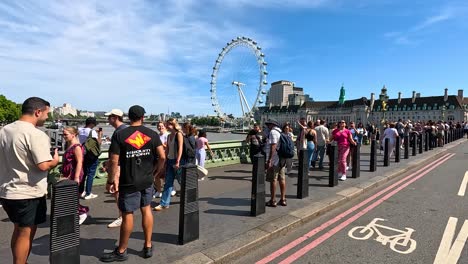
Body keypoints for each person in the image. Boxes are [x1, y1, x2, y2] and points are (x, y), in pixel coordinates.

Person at [100, 105, 165, 262]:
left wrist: (110, 180)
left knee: (128, 214)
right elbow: (162, 156)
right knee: (146, 209)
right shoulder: (152, 134)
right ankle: (148, 246)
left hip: (129, 181)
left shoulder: (120, 135)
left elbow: (113, 161)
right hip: (147, 180)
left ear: (129, 117)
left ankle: (121, 251)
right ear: (143, 117)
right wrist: (155, 172)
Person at [0, 97, 59, 264]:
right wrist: (55, 161)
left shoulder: (5, 130)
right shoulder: (35, 134)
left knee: (18, 230)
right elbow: (43, 165)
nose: (47, 117)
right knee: (26, 232)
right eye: (47, 113)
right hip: (28, 192)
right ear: (37, 112)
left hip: (7, 190)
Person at [104, 109, 128, 228]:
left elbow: (116, 156)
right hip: (122, 164)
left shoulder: (119, 132)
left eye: (109, 117)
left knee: (117, 190)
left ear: (115, 118)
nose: (108, 120)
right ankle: (124, 215)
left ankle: (121, 217)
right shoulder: (125, 130)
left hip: (118, 166)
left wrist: (110, 178)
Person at [154, 118, 184, 211]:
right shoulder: (169, 136)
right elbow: (167, 149)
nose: (167, 126)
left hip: (177, 161)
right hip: (170, 160)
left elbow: (180, 148)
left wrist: (178, 161)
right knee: (168, 182)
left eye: (168, 125)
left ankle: (188, 197)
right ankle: (164, 203)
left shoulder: (178, 134)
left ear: (173, 125)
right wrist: (165, 160)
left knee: (181, 181)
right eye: (166, 124)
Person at [61, 127, 89, 225]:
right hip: (68, 174)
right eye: (63, 134)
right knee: (68, 196)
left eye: (65, 134)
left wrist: (76, 177)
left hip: (73, 174)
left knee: (71, 196)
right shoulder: (69, 145)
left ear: (73, 135)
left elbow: (79, 162)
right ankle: (76, 213)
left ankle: (82, 212)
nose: (63, 136)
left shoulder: (77, 147)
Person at [78, 117, 103, 200]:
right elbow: (98, 143)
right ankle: (88, 193)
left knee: (83, 173)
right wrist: (100, 135)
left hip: (82, 153)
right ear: (92, 124)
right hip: (91, 155)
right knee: (91, 174)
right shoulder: (92, 132)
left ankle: (81, 192)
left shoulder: (80, 130)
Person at [264, 119, 287, 207]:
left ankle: (273, 200)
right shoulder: (280, 132)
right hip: (281, 159)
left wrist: (269, 160)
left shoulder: (273, 132)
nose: (267, 127)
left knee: (273, 180)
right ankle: (283, 199)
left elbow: (273, 146)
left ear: (271, 125)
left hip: (275, 161)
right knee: (282, 179)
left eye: (268, 125)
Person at [153, 121, 169, 199]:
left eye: (162, 126)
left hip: (165, 158)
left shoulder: (167, 135)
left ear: (165, 126)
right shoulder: (157, 135)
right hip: (157, 158)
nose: (160, 127)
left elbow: (166, 146)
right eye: (159, 126)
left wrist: (158, 143)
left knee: (164, 176)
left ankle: (169, 189)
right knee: (157, 175)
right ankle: (159, 191)